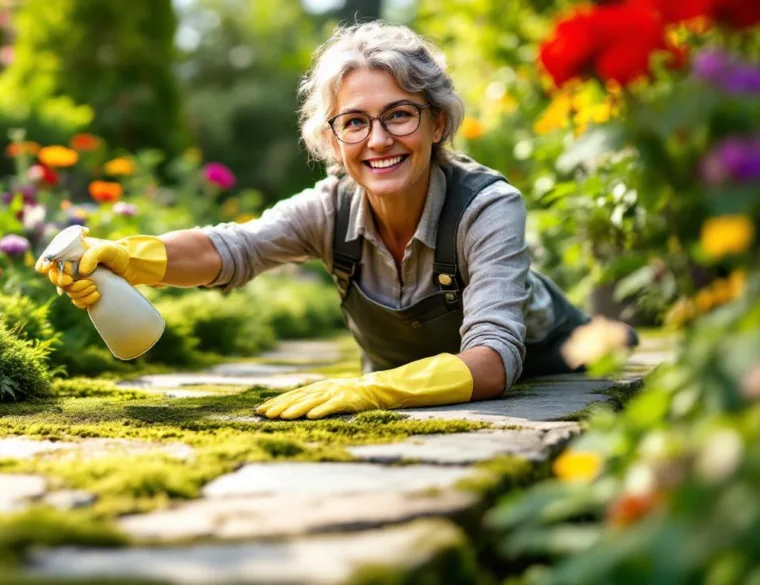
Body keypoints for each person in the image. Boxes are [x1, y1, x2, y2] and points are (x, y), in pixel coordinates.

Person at [42, 21, 636, 420]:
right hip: (414, 379)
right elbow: (235, 248)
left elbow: (494, 360)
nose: (378, 140)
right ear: (332, 138)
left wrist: (371, 390)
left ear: (437, 124)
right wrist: (129, 256)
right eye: (354, 122)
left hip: (551, 354)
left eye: (399, 115)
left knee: (610, 355)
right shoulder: (329, 207)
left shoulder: (486, 206)